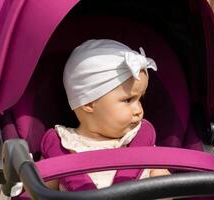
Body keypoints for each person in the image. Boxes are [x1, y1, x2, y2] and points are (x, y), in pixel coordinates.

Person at [41, 39, 170, 191]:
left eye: (139, 99)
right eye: (128, 100)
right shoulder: (61, 147)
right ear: (88, 103)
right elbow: (38, 192)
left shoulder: (142, 142)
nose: (139, 110)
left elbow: (167, 188)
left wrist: (162, 180)